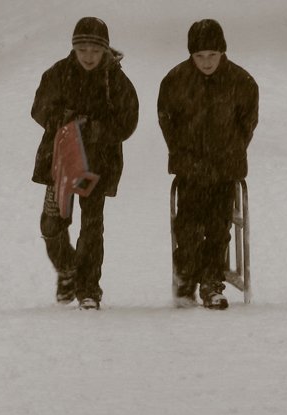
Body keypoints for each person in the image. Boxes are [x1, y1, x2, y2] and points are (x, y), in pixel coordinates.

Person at [31, 17, 139, 310]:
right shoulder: (58, 73)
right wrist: (65, 121)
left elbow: (128, 121)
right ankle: (68, 270)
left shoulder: (116, 79)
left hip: (98, 163)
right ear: (74, 49)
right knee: (52, 224)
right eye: (83, 50)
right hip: (60, 161)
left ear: (105, 50)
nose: (89, 57)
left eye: (95, 50)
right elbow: (39, 108)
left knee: (91, 227)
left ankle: (89, 287)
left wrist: (96, 130)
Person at [157, 19, 259, 310]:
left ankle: (212, 281)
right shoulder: (175, 81)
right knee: (188, 225)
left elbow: (247, 122)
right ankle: (187, 274)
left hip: (225, 167)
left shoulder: (242, 82)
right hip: (190, 168)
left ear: (222, 53)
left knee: (218, 226)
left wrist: (231, 151)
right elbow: (167, 120)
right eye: (199, 56)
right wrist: (182, 153)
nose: (206, 62)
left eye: (212, 55)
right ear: (191, 55)